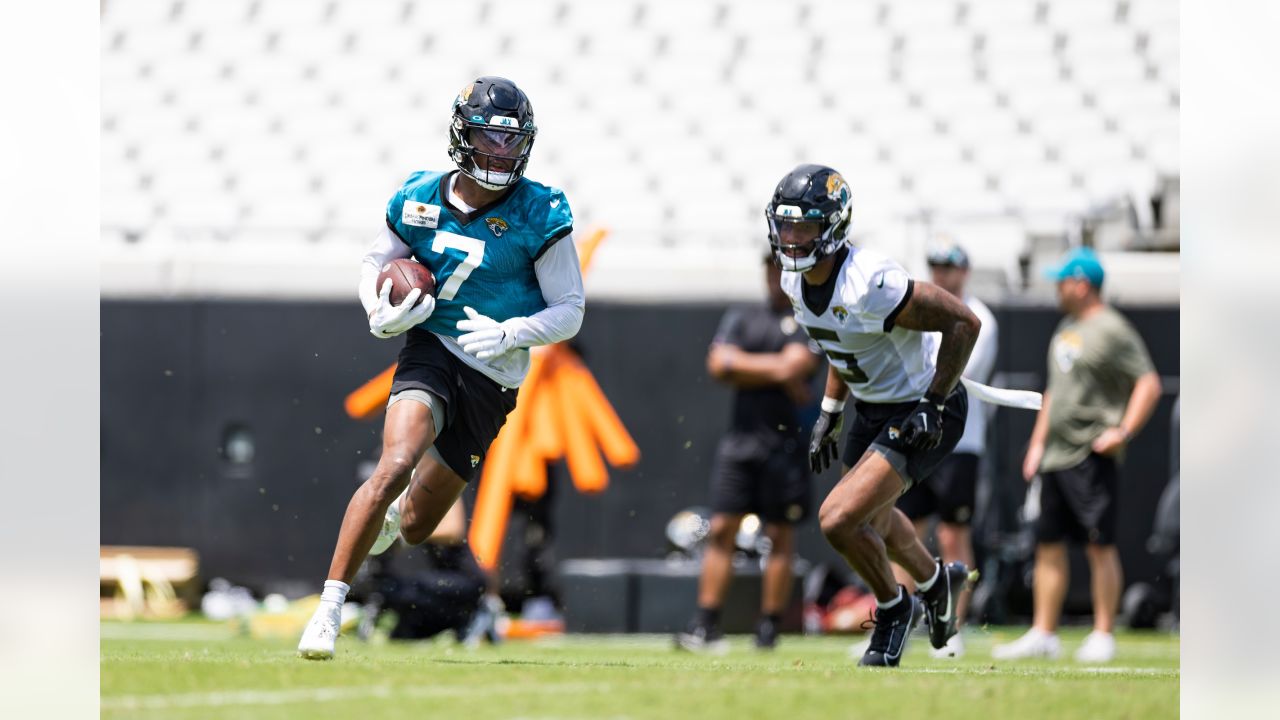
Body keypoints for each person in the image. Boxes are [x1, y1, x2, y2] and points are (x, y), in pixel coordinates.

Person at [299, 76, 585, 659]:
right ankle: (329, 608)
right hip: (431, 349)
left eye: (512, 141)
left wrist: (512, 331)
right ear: (462, 135)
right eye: (489, 138)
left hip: (494, 373)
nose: (501, 153)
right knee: (394, 463)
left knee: (417, 526)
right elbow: (376, 260)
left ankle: (392, 513)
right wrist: (377, 309)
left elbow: (570, 311)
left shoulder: (542, 209)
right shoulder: (418, 194)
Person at [767, 164, 980, 667]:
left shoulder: (871, 282)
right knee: (875, 522)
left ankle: (893, 606)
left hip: (923, 404)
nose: (792, 238)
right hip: (872, 403)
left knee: (840, 519)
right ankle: (936, 582)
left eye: (805, 226)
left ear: (834, 227)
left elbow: (962, 321)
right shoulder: (796, 282)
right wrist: (830, 410)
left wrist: (933, 400)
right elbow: (843, 344)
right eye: (786, 225)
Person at [992, 247, 1162, 664]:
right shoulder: (1066, 327)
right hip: (1055, 457)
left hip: (1090, 455)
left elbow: (1149, 383)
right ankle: (1043, 632)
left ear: (1082, 284)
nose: (1057, 288)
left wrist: (1122, 431)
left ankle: (1104, 633)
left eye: (1063, 280)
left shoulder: (1113, 329)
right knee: (1047, 546)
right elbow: (1054, 392)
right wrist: (1036, 444)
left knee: (1099, 545)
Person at [675, 254, 821, 652]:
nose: (775, 276)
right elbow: (719, 363)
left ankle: (770, 626)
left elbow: (799, 365)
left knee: (779, 534)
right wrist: (778, 370)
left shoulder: (811, 318)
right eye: (770, 268)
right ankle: (705, 624)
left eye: (782, 268)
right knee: (722, 528)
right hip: (741, 443)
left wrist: (744, 366)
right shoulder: (743, 316)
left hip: (787, 443)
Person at [890, 240, 998, 658]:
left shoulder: (979, 318)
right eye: (934, 265)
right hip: (919, 437)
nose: (941, 274)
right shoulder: (922, 312)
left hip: (959, 443)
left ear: (965, 271)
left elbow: (954, 374)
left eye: (949, 267)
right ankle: (894, 620)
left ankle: (952, 628)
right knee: (902, 531)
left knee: (954, 535)